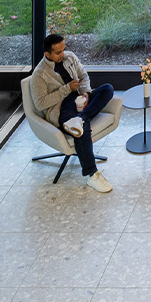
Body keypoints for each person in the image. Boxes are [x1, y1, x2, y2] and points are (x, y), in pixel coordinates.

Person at [31, 33, 115, 193]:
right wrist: (67, 89)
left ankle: (81, 118)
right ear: (47, 54)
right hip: (61, 107)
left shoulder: (70, 57)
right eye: (58, 52)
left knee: (107, 89)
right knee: (81, 131)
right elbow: (40, 103)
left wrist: (86, 93)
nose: (62, 54)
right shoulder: (39, 74)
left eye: (63, 49)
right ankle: (92, 174)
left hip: (80, 100)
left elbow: (83, 76)